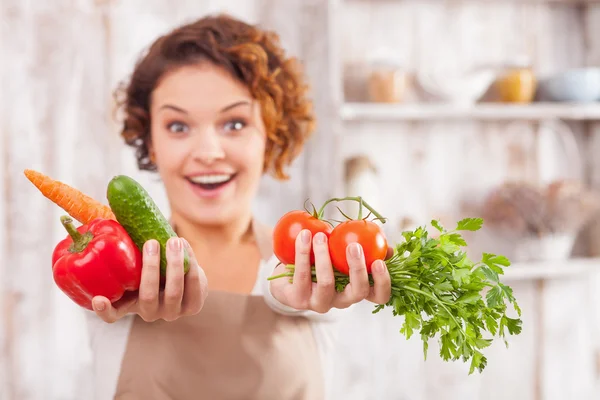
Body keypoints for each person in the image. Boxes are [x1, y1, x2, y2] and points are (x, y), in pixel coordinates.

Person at [85, 13, 392, 400]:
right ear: (150, 143)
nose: (209, 152)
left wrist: (288, 293)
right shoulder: (112, 262)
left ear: (271, 134)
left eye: (234, 124)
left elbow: (283, 286)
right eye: (178, 126)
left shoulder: (314, 266)